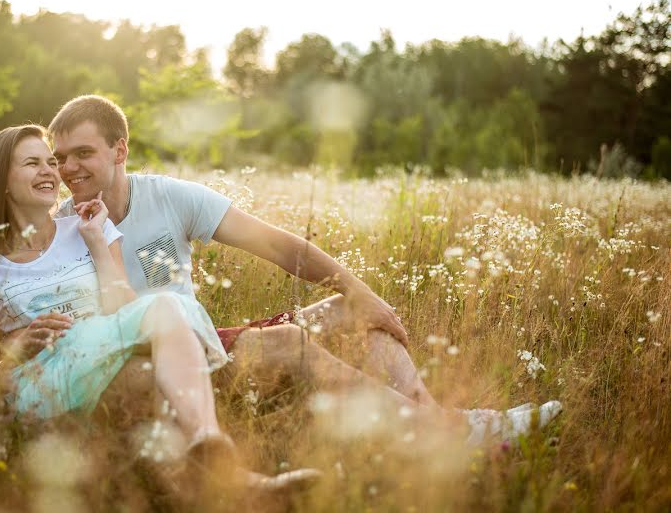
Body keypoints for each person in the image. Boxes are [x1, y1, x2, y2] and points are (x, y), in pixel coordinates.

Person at [31, 94, 562, 445]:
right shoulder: (60, 231)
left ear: (120, 149)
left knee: (352, 314)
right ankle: (461, 433)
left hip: (206, 342)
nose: (68, 168)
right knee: (290, 340)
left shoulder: (170, 198)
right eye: (60, 158)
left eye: (83, 153)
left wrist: (362, 292)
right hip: (150, 371)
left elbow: (282, 248)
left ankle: (445, 428)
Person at [0, 124, 319, 490]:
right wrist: (16, 346)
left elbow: (123, 311)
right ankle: (234, 481)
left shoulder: (89, 226)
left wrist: (94, 241)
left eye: (50, 162)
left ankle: (211, 447)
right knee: (153, 348)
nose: (50, 171)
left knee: (166, 308)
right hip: (41, 379)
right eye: (32, 163)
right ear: (1, 180)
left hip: (101, 352)